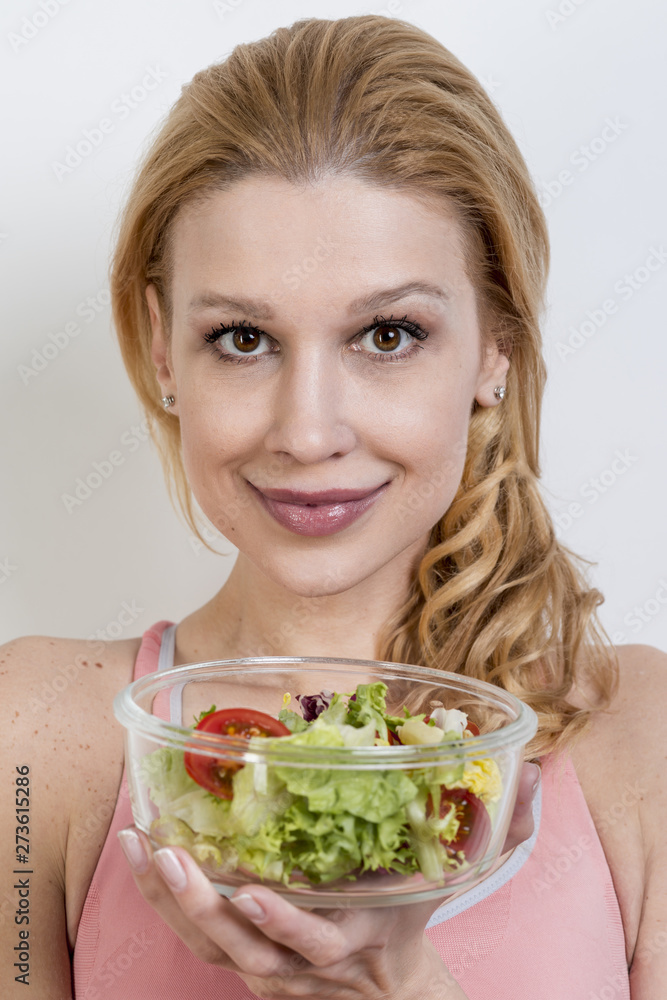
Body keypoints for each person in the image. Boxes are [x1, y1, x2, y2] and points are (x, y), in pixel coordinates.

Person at [2, 13, 665, 999]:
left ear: (496, 343)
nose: (307, 433)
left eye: (387, 334)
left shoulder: (637, 737)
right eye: (242, 338)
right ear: (160, 346)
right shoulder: (31, 742)